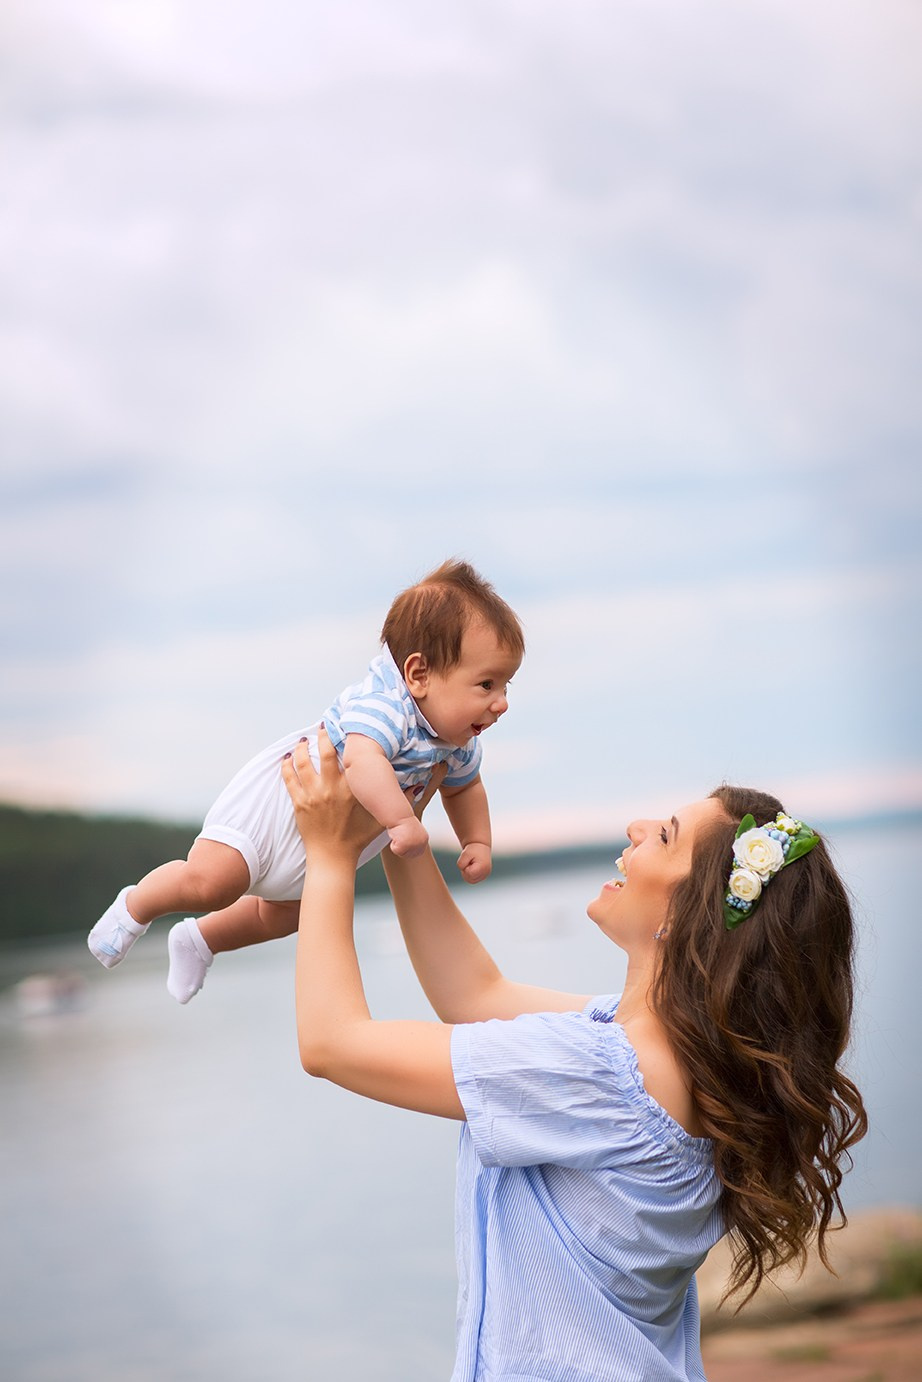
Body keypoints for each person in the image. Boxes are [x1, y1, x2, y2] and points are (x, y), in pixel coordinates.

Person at [282, 733, 868, 1382]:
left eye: (666, 837)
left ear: (683, 917)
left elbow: (331, 1043)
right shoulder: (667, 1054)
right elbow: (473, 993)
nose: (637, 827)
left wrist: (329, 856)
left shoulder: (604, 1071)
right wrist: (404, 828)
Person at [87, 560, 524, 1003]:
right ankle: (135, 907)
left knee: (291, 915)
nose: (501, 703)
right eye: (486, 684)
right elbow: (361, 761)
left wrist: (477, 842)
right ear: (418, 675)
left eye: (507, 686)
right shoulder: (385, 708)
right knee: (213, 883)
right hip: (279, 807)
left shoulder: (458, 742)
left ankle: (201, 940)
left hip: (327, 839)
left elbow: (466, 788)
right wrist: (402, 821)